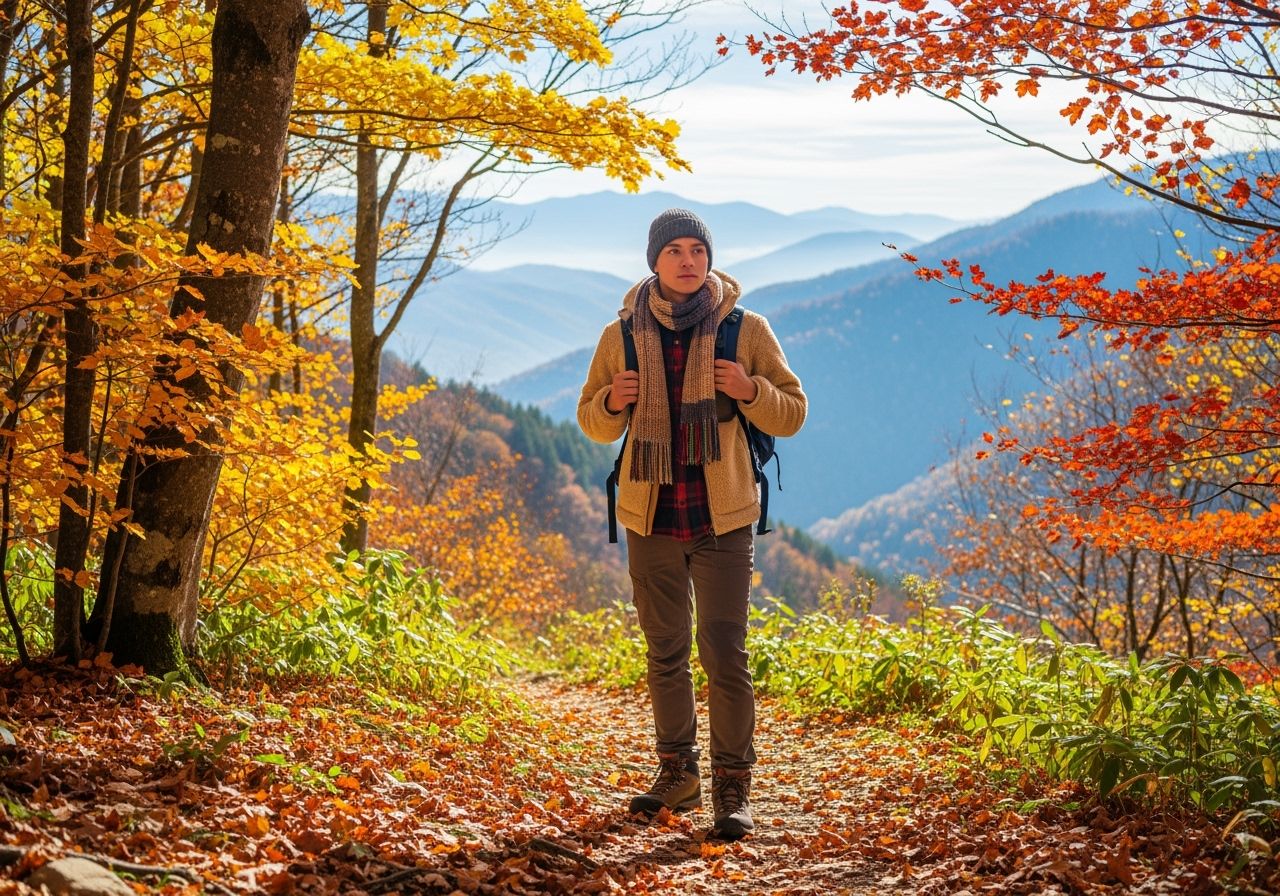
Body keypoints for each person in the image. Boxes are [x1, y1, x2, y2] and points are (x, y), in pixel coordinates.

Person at [576, 208, 807, 840]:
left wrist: (750, 389)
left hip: (723, 516)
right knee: (665, 651)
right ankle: (678, 773)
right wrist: (610, 402)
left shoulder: (744, 329)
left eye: (696, 249)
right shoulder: (621, 334)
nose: (687, 260)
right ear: (653, 260)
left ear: (709, 258)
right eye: (674, 249)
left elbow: (794, 414)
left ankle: (733, 788)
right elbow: (591, 422)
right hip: (651, 514)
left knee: (725, 652)